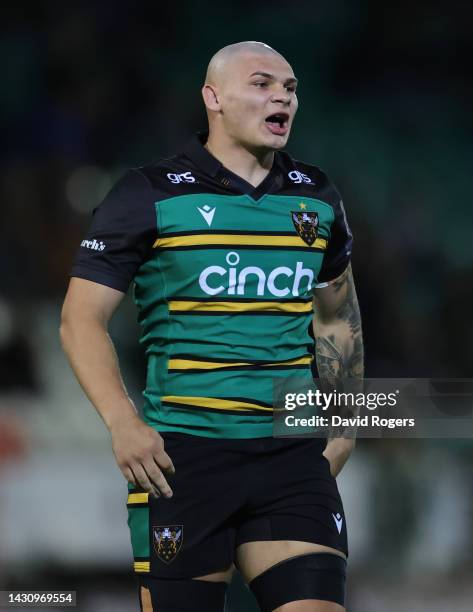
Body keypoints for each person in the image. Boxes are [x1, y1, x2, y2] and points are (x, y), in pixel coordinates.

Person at [60, 41, 363, 612]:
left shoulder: (317, 198)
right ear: (213, 97)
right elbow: (80, 319)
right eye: (262, 83)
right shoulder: (148, 193)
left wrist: (344, 425)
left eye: (291, 88)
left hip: (289, 456)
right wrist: (123, 424)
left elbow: (337, 317)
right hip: (184, 461)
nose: (282, 96)